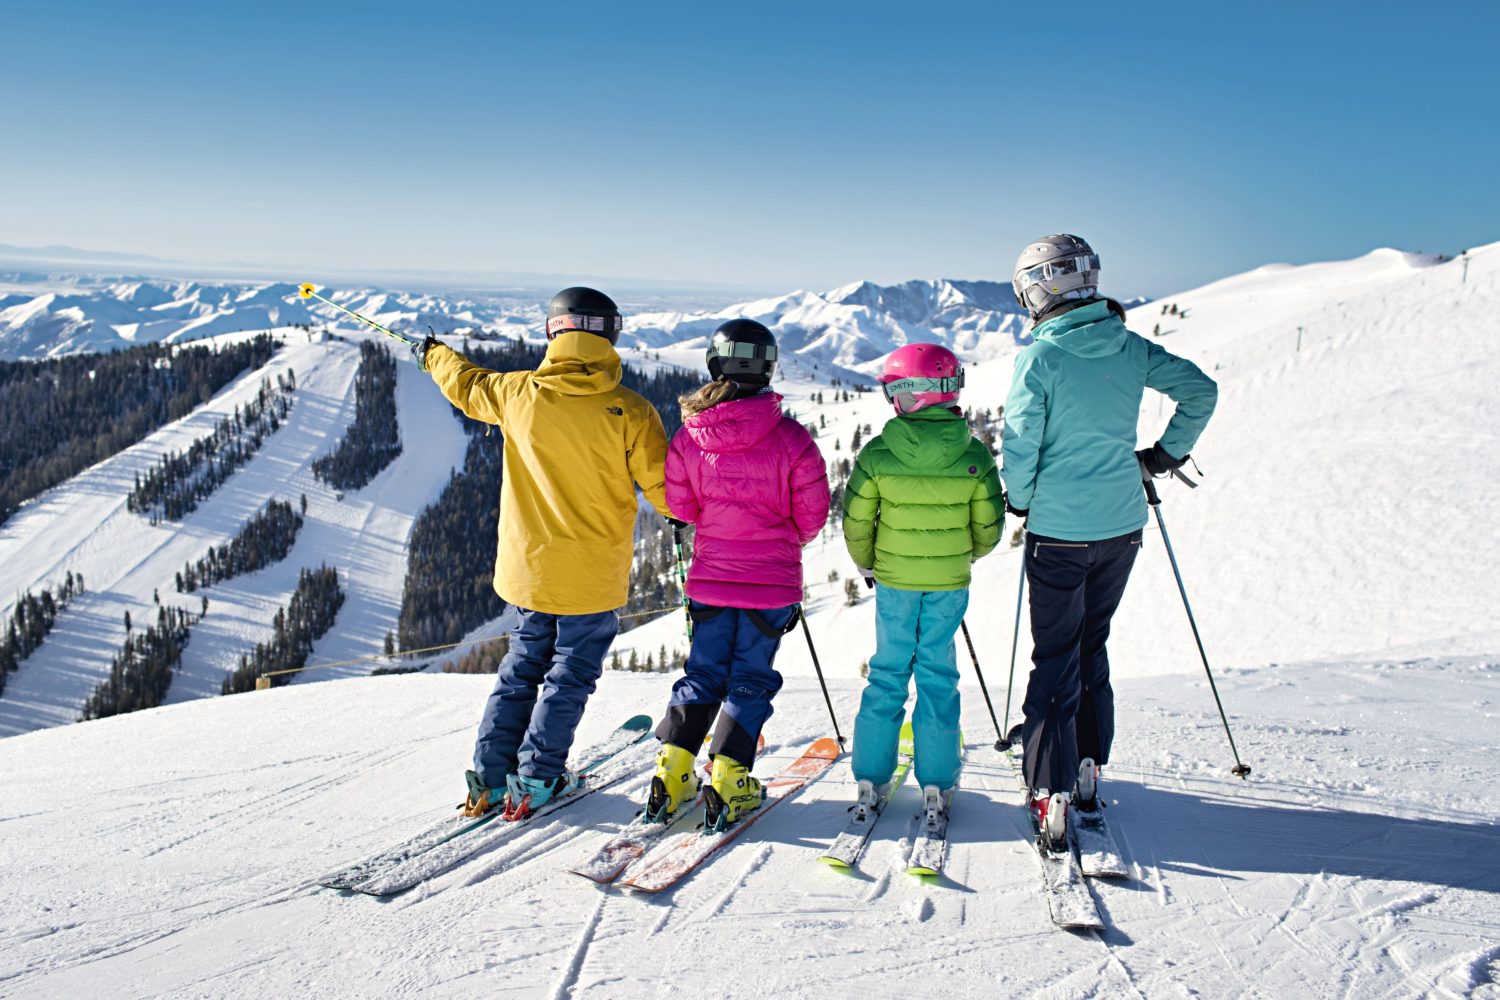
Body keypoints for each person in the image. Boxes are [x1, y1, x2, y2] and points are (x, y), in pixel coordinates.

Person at [411, 286, 672, 820]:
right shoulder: (631, 411)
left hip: (529, 570)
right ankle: (537, 776)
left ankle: (487, 777)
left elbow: (465, 384)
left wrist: (433, 354)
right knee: (570, 672)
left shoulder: (515, 393)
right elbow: (667, 491)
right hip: (591, 575)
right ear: (610, 333)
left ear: (554, 332)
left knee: (522, 667)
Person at [1002, 234, 1217, 849]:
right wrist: (1163, 455)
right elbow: (1201, 390)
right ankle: (1090, 768)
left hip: (1058, 532)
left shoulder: (1039, 359)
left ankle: (1051, 789)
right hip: (1121, 526)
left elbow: (1021, 441)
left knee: (1055, 656)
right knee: (1091, 645)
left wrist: (1020, 496)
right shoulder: (1126, 346)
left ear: (1039, 288)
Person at [649, 319, 830, 831]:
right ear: (768, 368)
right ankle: (729, 779)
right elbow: (812, 515)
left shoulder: (690, 436)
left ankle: (673, 769)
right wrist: (782, 539)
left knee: (703, 672)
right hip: (770, 582)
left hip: (710, 578)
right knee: (749, 678)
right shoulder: (792, 438)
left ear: (714, 364)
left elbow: (682, 506)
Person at [843, 343, 1003, 824]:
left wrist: (869, 564)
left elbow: (857, 520)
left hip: (894, 580)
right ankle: (936, 779)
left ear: (906, 395)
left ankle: (871, 775)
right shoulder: (974, 453)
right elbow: (989, 526)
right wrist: (959, 556)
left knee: (888, 671)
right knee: (937, 675)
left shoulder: (878, 453)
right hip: (948, 582)